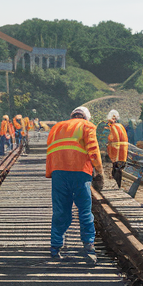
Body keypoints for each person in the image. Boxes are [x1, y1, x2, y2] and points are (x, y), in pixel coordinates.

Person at [45, 106, 103, 263]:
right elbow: (93, 150)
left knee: (60, 211)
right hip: (80, 172)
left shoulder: (56, 128)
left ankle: (55, 247)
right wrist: (99, 170)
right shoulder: (87, 126)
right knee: (84, 211)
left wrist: (51, 172)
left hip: (58, 173)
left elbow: (50, 150)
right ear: (86, 117)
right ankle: (89, 247)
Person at [105, 109, 130, 188]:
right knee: (118, 169)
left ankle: (117, 186)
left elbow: (111, 138)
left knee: (116, 170)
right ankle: (117, 186)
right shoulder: (121, 126)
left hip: (116, 152)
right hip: (123, 152)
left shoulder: (113, 127)